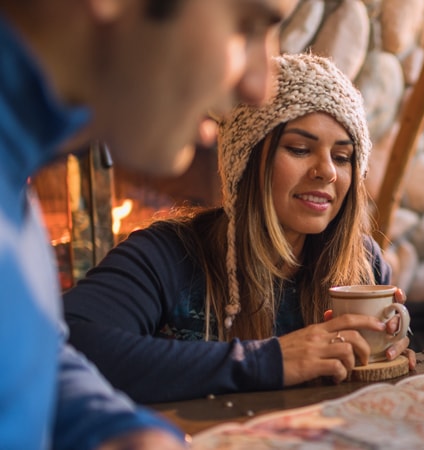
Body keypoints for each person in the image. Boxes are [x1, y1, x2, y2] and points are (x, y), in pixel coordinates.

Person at [1, 0, 300, 448]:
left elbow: (31, 355)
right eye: (247, 26)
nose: (260, 86)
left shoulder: (18, 173)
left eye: (344, 156)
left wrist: (118, 429)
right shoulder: (168, 251)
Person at [63, 53, 415, 404]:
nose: (328, 172)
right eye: (299, 149)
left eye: (342, 157)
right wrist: (269, 362)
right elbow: (66, 343)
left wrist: (390, 354)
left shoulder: (363, 262)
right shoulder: (168, 254)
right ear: (245, 162)